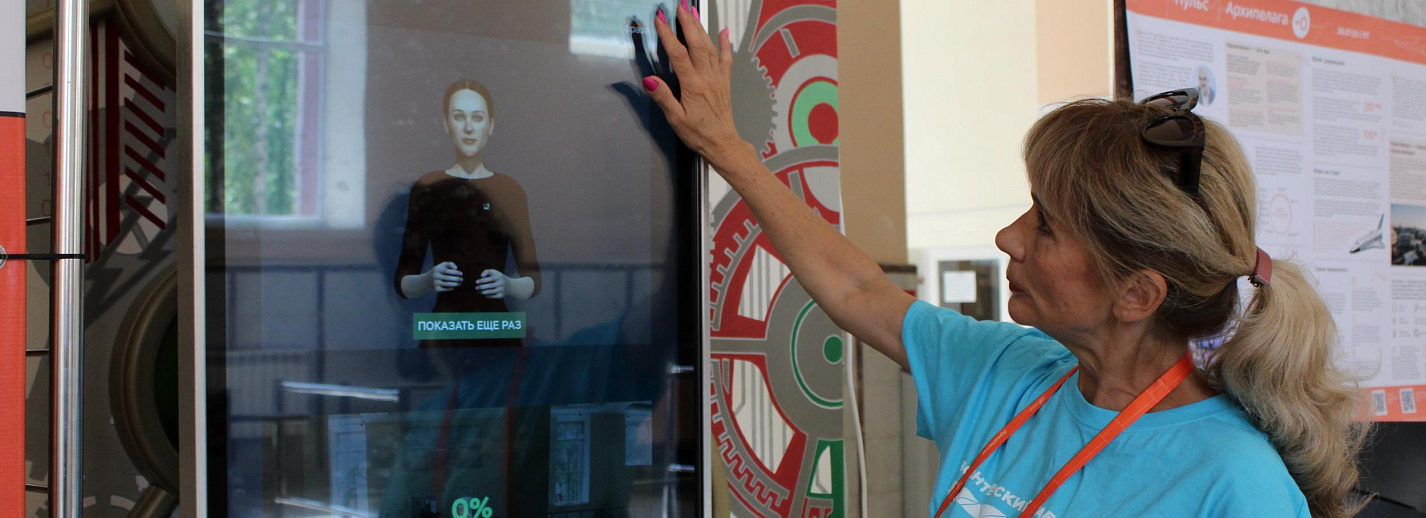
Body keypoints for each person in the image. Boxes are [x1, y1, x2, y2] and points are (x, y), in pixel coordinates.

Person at [641, 5, 1368, 517]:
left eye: (1045, 227)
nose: (1008, 238)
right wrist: (727, 148)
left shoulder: (1235, 483)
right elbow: (858, 289)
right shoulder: (1009, 371)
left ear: (1137, 294)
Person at [394, 79, 542, 348]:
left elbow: (533, 280)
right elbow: (403, 283)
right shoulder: (428, 188)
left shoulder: (509, 189)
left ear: (490, 125)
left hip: (497, 336)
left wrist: (508, 285)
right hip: (443, 337)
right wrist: (428, 280)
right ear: (446, 124)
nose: (469, 128)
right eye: (459, 117)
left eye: (478, 117)